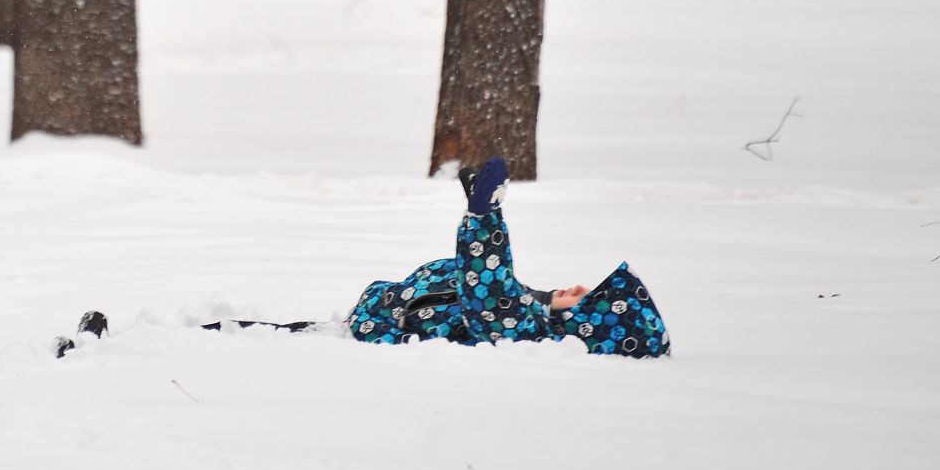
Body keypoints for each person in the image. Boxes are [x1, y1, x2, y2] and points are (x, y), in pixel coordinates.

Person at [58, 159, 670, 359]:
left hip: (363, 345)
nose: (566, 288)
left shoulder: (525, 326)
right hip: (362, 326)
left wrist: (484, 217)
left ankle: (101, 358)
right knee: (234, 337)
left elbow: (487, 293)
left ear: (580, 325)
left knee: (236, 350)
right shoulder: (519, 306)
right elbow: (477, 284)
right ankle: (108, 351)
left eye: (577, 295)